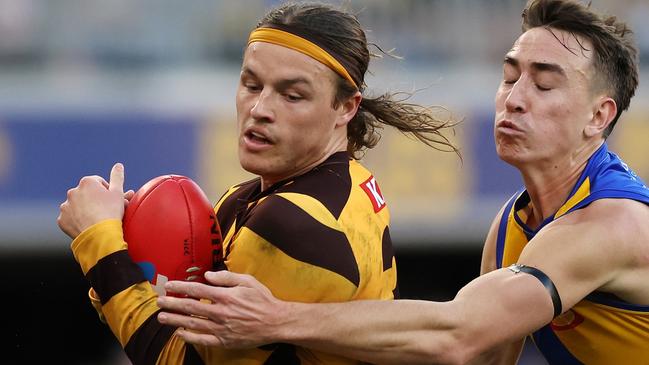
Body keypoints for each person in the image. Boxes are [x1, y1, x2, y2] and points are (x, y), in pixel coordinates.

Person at [154, 0, 649, 364]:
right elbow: (481, 356)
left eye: (543, 84)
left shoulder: (612, 224)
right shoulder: (511, 229)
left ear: (598, 115)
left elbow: (459, 333)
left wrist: (276, 319)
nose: (515, 98)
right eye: (509, 77)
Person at [57, 2, 457, 364]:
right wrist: (129, 254)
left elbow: (177, 360)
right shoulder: (332, 183)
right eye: (252, 84)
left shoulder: (289, 223)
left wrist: (100, 243)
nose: (260, 109)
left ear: (346, 107)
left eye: (292, 95)